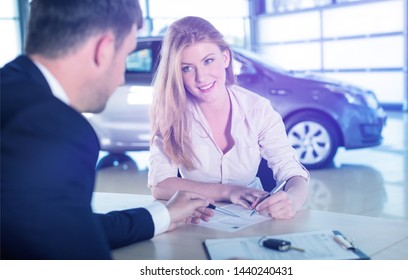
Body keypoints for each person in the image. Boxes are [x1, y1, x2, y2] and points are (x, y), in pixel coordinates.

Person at [0, 0, 213, 260]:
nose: (121, 77)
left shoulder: (10, 89)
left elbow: (66, 229)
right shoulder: (52, 129)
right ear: (104, 49)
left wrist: (163, 214)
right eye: (126, 56)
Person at [149, 16, 310, 220]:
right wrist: (229, 191)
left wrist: (292, 200)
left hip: (254, 216)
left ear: (225, 58)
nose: (201, 78)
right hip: (197, 219)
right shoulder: (171, 114)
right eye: (187, 68)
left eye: (208, 61)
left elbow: (291, 171)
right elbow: (160, 185)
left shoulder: (257, 109)